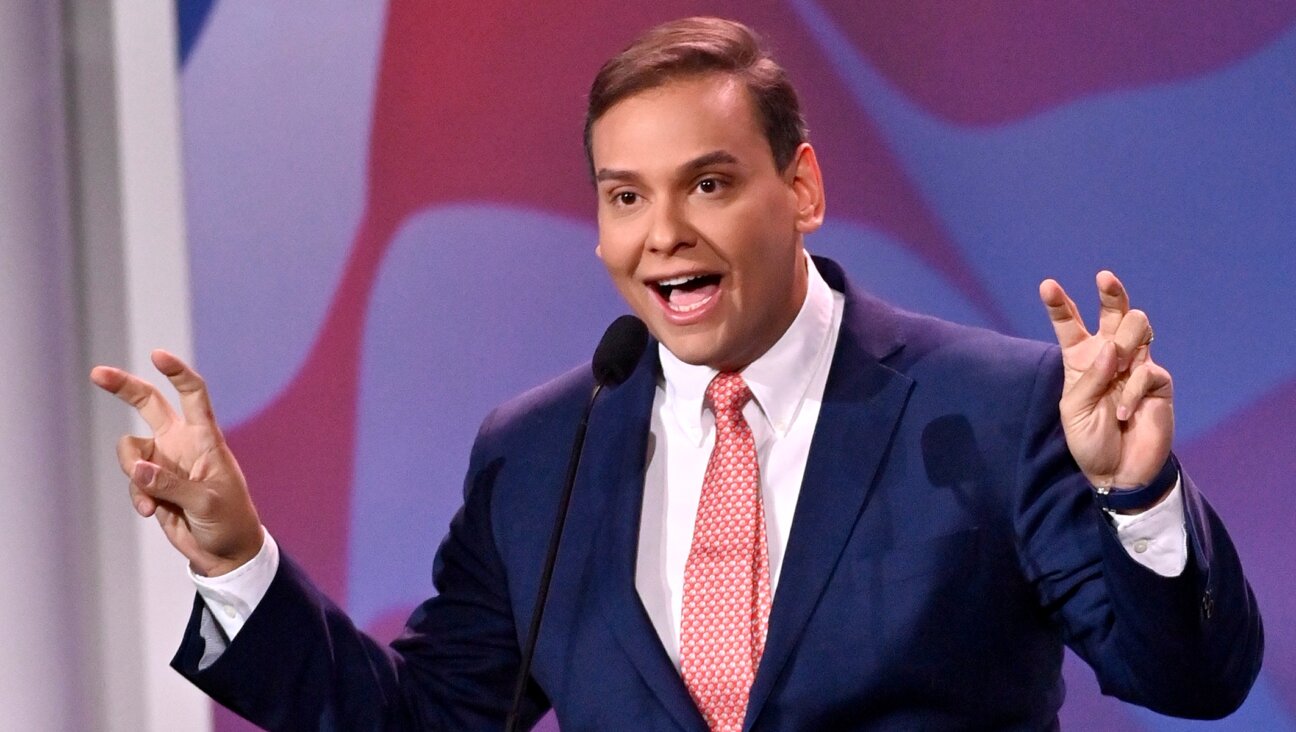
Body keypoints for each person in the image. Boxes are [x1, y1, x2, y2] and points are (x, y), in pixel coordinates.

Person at [91, 17, 1261, 731]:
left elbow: (1193, 680)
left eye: (708, 184)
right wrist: (242, 561)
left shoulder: (993, 407)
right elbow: (432, 723)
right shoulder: (542, 451)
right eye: (625, 197)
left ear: (799, 187)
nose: (664, 236)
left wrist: (1138, 501)